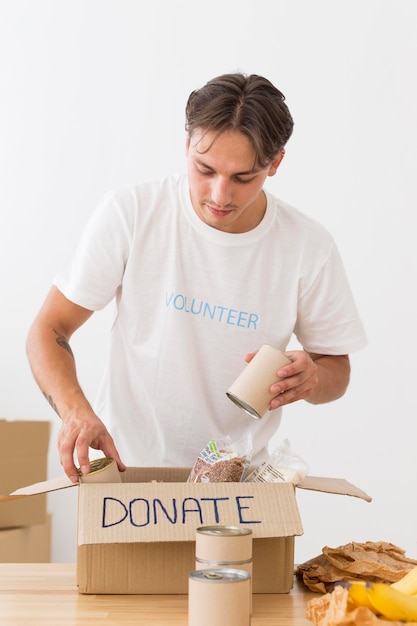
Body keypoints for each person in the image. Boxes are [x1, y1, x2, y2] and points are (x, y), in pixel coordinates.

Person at [26, 72, 367, 483]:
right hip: (126, 477)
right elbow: (48, 329)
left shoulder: (308, 246)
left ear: (275, 163)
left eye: (243, 178)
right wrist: (77, 414)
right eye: (205, 169)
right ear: (186, 144)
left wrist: (312, 377)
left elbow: (337, 370)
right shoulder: (132, 212)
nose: (220, 196)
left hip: (240, 488)